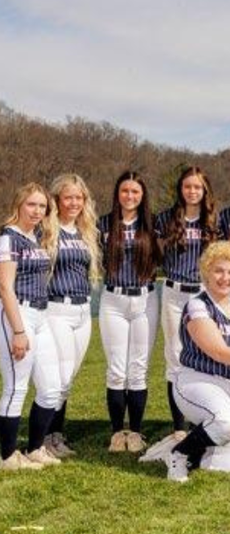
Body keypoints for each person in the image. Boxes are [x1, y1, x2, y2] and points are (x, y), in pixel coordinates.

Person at [0, 183, 59, 469]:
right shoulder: (9, 238)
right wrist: (18, 331)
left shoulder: (37, 235)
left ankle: (35, 448)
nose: (37, 210)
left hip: (40, 316)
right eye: (32, 204)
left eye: (42, 206)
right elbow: (5, 286)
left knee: (51, 389)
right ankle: (8, 456)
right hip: (15, 315)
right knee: (16, 387)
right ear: (18, 204)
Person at [147, 240, 230, 483]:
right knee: (225, 421)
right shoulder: (197, 305)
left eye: (229, 271)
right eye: (218, 271)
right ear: (206, 273)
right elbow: (218, 351)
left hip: (225, 382)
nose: (225, 277)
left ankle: (201, 453)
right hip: (196, 381)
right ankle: (179, 454)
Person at [151, 167, 216, 455]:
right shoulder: (166, 219)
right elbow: (146, 250)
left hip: (206, 293)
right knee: (176, 357)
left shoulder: (216, 219)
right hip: (175, 292)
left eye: (198, 187)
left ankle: (210, 420)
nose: (192, 191)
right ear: (180, 189)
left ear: (205, 190)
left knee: (210, 354)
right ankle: (179, 427)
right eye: (187, 186)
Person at [39, 174, 99, 457]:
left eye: (79, 197)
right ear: (57, 200)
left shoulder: (86, 231)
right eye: (68, 197)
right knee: (58, 377)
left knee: (69, 379)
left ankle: (56, 436)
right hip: (56, 309)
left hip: (83, 310)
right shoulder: (46, 230)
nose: (74, 202)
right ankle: (44, 438)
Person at [97, 171, 157, 452]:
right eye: (124, 191)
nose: (129, 196)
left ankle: (136, 432)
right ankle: (116, 433)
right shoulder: (104, 224)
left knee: (138, 370)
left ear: (142, 195)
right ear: (117, 193)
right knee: (116, 370)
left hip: (145, 300)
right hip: (113, 300)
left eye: (135, 191)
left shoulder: (153, 223)